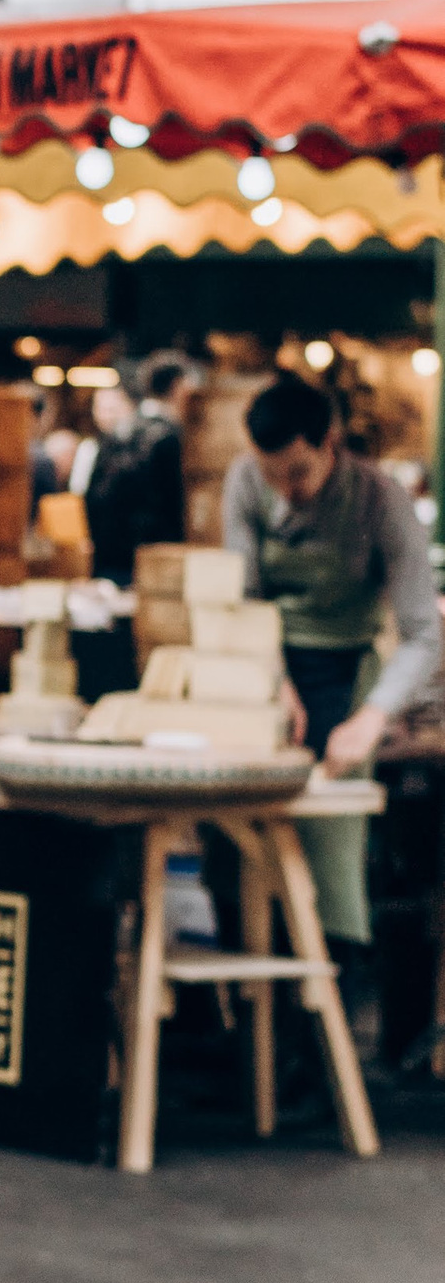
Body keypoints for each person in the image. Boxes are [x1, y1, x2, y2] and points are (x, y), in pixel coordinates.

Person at [224, 367, 441, 964]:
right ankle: (252, 1006)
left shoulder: (382, 501)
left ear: (331, 445)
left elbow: (424, 635)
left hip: (347, 676)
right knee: (241, 838)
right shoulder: (245, 482)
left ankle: (328, 1010)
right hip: (262, 669)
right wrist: (275, 682)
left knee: (329, 852)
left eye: (298, 473)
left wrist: (372, 720)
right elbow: (244, 600)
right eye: (273, 476)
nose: (286, 489)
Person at [77, 357, 191, 585]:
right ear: (177, 387)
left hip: (106, 559)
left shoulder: (116, 432)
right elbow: (174, 506)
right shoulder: (168, 436)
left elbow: (91, 496)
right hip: (151, 563)